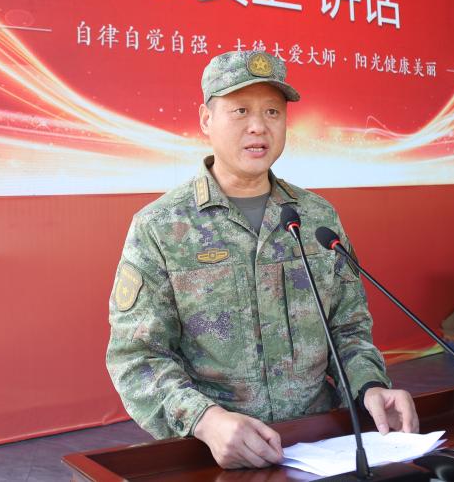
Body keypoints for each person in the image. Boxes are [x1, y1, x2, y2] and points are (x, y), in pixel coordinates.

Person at [106, 50, 418, 469]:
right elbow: (137, 357)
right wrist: (206, 420)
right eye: (240, 110)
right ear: (206, 120)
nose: (259, 125)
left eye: (273, 111)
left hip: (322, 444)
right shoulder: (161, 227)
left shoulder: (316, 218)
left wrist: (369, 388)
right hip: (214, 455)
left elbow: (348, 329)